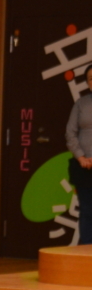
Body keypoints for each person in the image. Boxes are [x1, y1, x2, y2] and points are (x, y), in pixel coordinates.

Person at [66, 64, 92, 244]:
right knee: (87, 211)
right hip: (84, 168)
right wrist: (81, 157)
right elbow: (70, 133)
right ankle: (86, 253)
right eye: (91, 79)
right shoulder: (81, 104)